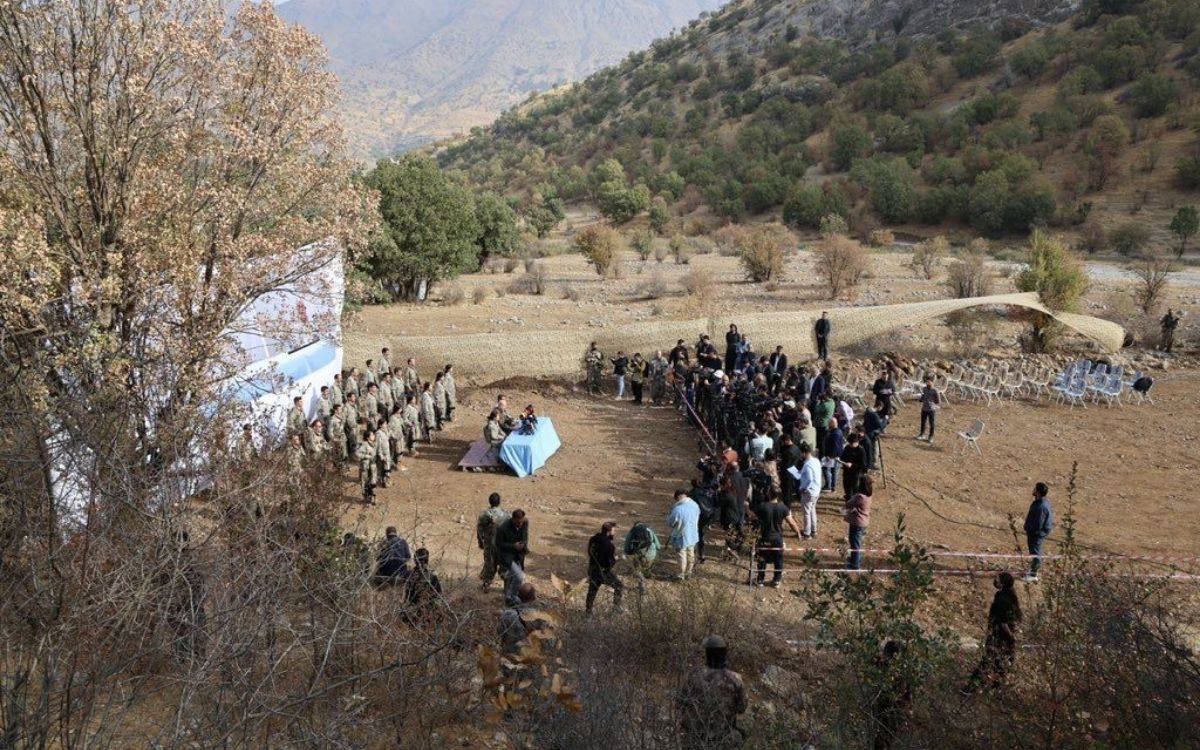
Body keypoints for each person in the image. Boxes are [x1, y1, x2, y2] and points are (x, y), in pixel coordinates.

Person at [676, 635, 747, 750]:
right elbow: (741, 708)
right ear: (724, 654)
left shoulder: (694, 674)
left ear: (707, 654)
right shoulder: (735, 680)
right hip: (719, 738)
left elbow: (681, 702)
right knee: (741, 734)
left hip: (692, 736)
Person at [964, 571, 1022, 694]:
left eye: (998, 579)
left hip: (1000, 637)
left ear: (1003, 583)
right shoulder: (1008, 596)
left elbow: (1002, 622)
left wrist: (1010, 637)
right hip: (1002, 636)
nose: (995, 581)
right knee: (1000, 665)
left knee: (989, 662)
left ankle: (971, 687)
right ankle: (995, 689)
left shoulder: (1002, 599)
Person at [751, 492, 796, 588]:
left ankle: (760, 580)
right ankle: (776, 580)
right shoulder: (782, 507)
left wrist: (746, 508)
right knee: (778, 559)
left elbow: (752, 516)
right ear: (777, 496)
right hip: (777, 538)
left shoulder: (762, 506)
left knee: (762, 559)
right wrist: (798, 533)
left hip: (764, 537)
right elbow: (791, 522)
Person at [497, 582, 554, 657]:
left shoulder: (507, 614)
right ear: (534, 597)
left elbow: (499, 631)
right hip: (527, 655)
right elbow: (549, 641)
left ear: (519, 597)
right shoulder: (540, 616)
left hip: (508, 653)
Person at [585, 522, 624, 613]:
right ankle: (616, 608)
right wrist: (617, 558)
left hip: (592, 569)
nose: (615, 532)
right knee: (619, 586)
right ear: (608, 531)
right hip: (602, 572)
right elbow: (609, 564)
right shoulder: (609, 545)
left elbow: (590, 552)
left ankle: (588, 611)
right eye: (614, 530)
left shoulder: (593, 539)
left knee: (592, 590)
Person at [476, 493, 511, 589]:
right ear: (499, 502)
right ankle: (507, 587)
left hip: (490, 544)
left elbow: (479, 529)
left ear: (490, 502)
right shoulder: (506, 514)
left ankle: (486, 584)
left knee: (489, 564)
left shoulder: (486, 514)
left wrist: (480, 542)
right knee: (504, 565)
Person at [495, 509, 530, 604]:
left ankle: (507, 590)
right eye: (518, 522)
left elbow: (525, 535)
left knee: (513, 574)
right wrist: (513, 546)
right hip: (507, 555)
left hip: (519, 554)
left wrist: (523, 543)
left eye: (522, 521)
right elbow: (498, 544)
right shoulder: (503, 528)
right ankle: (511, 598)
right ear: (513, 519)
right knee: (519, 576)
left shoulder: (525, 522)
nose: (521, 524)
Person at [666, 489, 701, 581]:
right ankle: (688, 574)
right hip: (693, 534)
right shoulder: (695, 505)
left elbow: (670, 523)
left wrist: (669, 514)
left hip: (681, 536)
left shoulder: (677, 509)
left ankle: (680, 575)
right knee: (690, 554)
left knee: (682, 556)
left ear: (678, 497)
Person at [1023, 482, 1054, 581]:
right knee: (1034, 552)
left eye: (1035, 489)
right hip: (1035, 532)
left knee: (1036, 552)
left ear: (1038, 492)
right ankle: (1033, 570)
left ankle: (1033, 575)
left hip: (1037, 533)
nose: (1033, 490)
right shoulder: (1039, 502)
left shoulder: (1041, 506)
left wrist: (1029, 529)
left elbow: (1038, 525)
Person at [404, 548, 444, 620]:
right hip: (424, 614)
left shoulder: (408, 575)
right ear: (427, 561)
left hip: (410, 612)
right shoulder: (432, 577)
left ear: (415, 560)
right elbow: (439, 598)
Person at [844, 475, 873, 570]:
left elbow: (848, 504)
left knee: (855, 543)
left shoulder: (860, 496)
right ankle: (855, 559)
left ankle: (855, 565)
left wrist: (853, 496)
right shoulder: (868, 495)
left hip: (857, 523)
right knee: (858, 542)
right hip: (864, 522)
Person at [796, 441, 823, 539]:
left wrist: (803, 488)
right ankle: (814, 530)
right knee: (812, 510)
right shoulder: (816, 460)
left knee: (807, 512)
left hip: (808, 491)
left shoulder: (807, 465)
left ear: (804, 453)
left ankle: (807, 533)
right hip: (816, 490)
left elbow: (810, 479)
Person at [839, 430, 868, 499]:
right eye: (850, 443)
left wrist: (852, 465)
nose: (851, 445)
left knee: (855, 489)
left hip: (856, 473)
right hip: (846, 471)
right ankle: (848, 500)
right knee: (846, 487)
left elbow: (863, 464)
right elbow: (843, 457)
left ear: (857, 442)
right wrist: (842, 461)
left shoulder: (861, 450)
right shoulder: (847, 448)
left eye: (852, 443)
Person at [821, 418, 844, 493]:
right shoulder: (836, 431)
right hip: (834, 455)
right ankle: (831, 486)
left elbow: (835, 446)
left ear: (832, 423)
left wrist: (830, 456)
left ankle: (829, 486)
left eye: (829, 423)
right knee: (833, 471)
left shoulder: (835, 433)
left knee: (826, 469)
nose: (828, 424)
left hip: (832, 456)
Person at [916, 374, 940, 443]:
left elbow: (938, 401)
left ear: (932, 382)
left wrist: (931, 403)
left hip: (931, 410)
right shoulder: (924, 389)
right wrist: (920, 399)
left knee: (932, 424)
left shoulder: (935, 390)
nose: (927, 383)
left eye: (929, 381)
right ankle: (922, 434)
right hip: (924, 408)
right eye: (926, 382)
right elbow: (923, 397)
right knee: (923, 422)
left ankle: (931, 437)